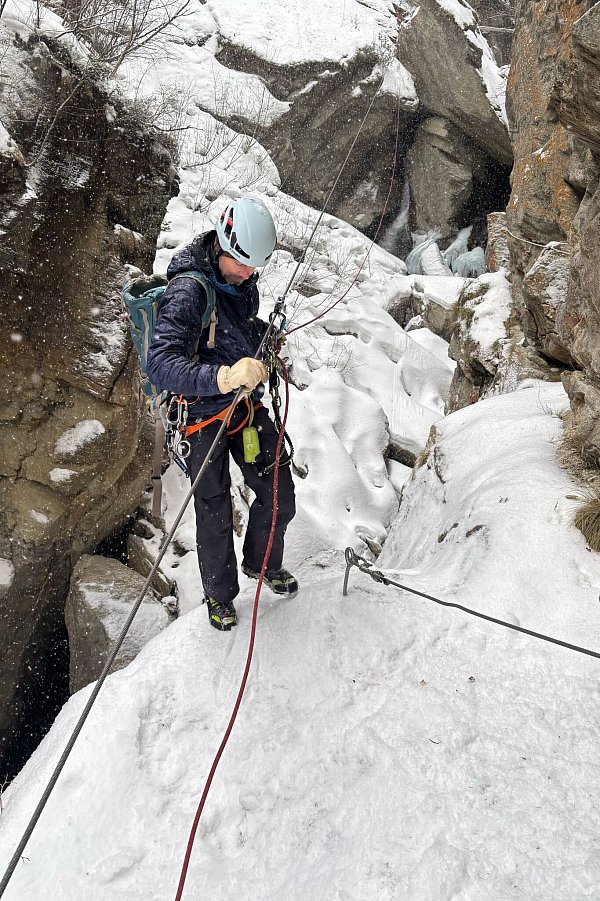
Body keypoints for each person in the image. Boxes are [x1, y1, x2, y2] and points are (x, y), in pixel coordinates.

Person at [147, 196, 297, 631]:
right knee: (213, 510)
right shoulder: (188, 292)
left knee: (278, 491)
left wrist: (263, 337)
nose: (249, 274)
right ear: (221, 246)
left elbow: (233, 327)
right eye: (243, 265)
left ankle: (262, 563)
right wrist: (224, 377)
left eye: (255, 267)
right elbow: (161, 363)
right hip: (200, 415)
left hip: (242, 406)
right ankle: (219, 595)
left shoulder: (240, 278)